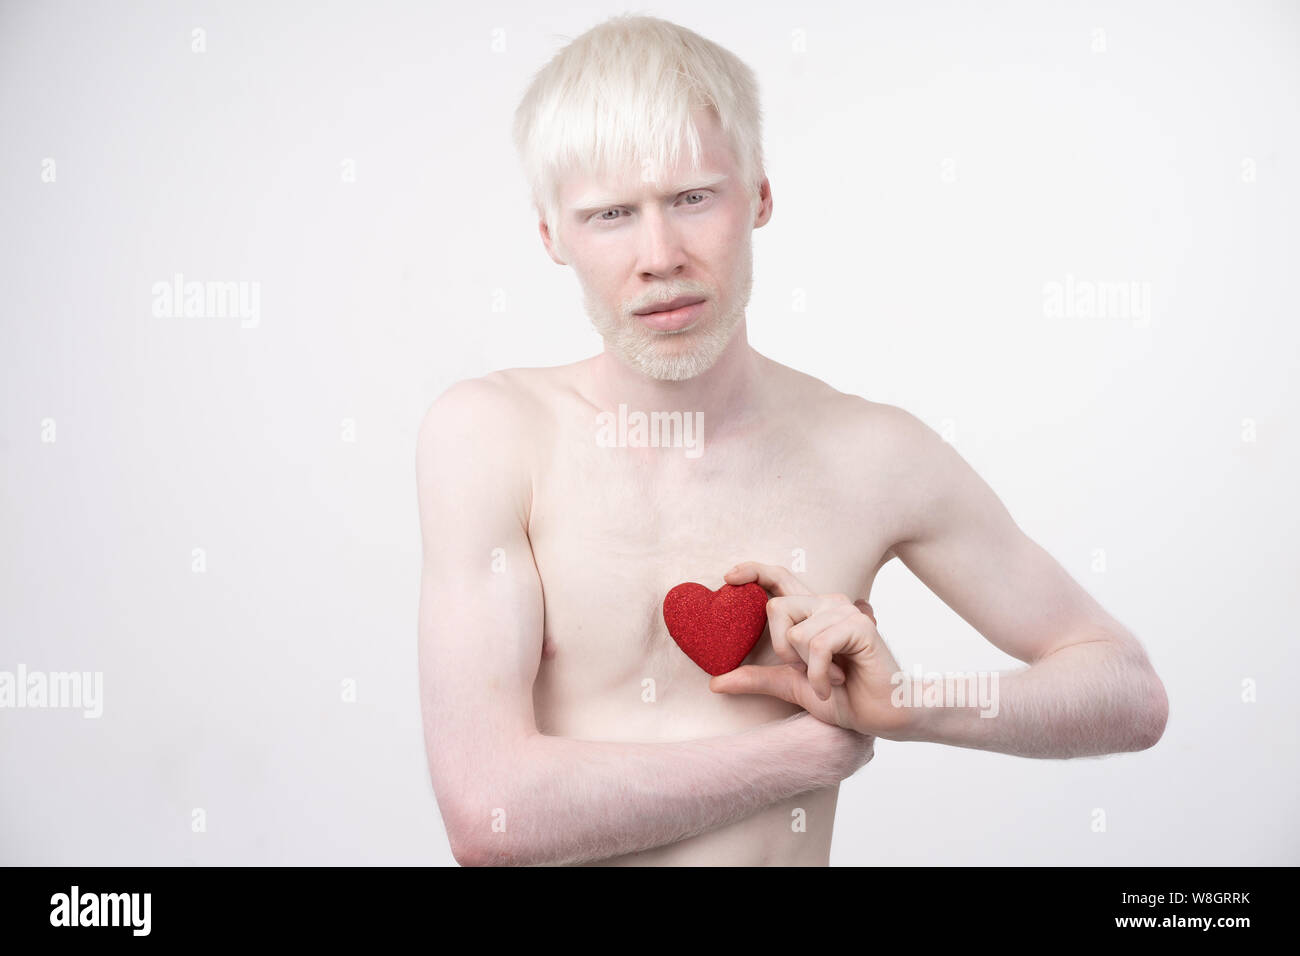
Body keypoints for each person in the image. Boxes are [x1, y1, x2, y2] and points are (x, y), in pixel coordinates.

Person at [415, 13, 1168, 867]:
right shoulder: (490, 435)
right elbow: (488, 816)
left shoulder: (874, 451)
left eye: (694, 197)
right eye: (610, 215)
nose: (660, 255)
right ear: (552, 235)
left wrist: (906, 704)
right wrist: (803, 754)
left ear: (761, 195)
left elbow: (1125, 691)